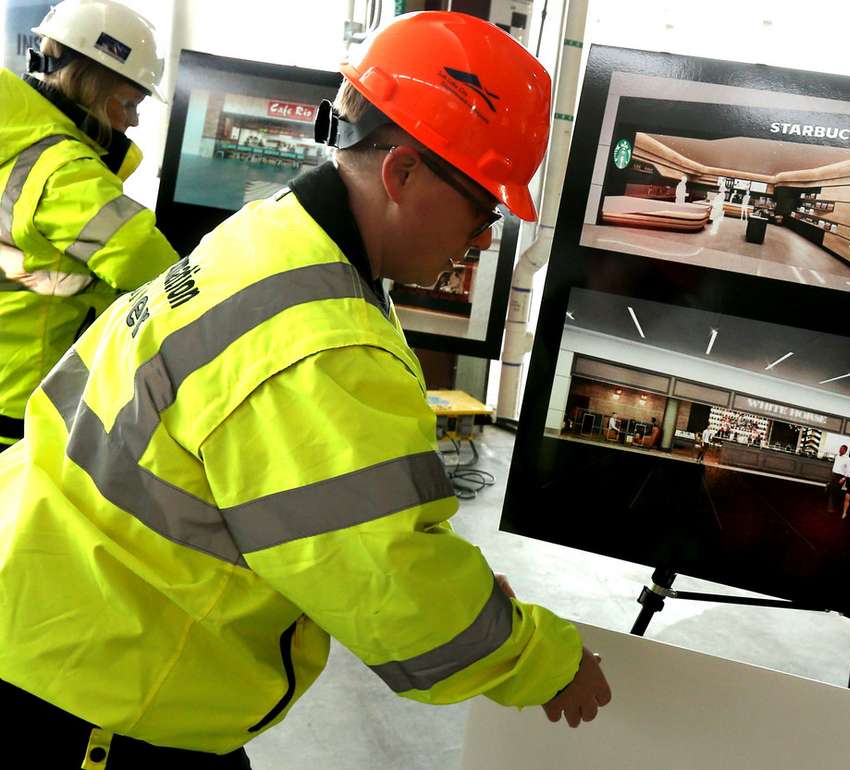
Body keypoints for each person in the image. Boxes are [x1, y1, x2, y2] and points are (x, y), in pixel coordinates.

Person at [0, 12, 611, 767]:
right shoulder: (321, 343)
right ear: (403, 172)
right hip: (102, 684)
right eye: (483, 207)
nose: (484, 237)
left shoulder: (269, 232)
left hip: (60, 605)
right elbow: (393, 591)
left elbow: (358, 522)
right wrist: (546, 662)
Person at [0, 0, 180, 449]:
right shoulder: (66, 170)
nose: (133, 121)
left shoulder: (17, 134)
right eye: (129, 102)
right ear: (90, 84)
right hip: (17, 397)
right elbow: (153, 268)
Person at [827, 444, 850, 513]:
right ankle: (830, 507)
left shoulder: (848, 459)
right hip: (834, 475)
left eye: (842, 449)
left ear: (845, 451)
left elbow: (848, 471)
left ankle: (833, 506)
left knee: (836, 492)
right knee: (831, 491)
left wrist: (843, 479)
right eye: (840, 448)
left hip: (840, 477)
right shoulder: (837, 456)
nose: (840, 450)